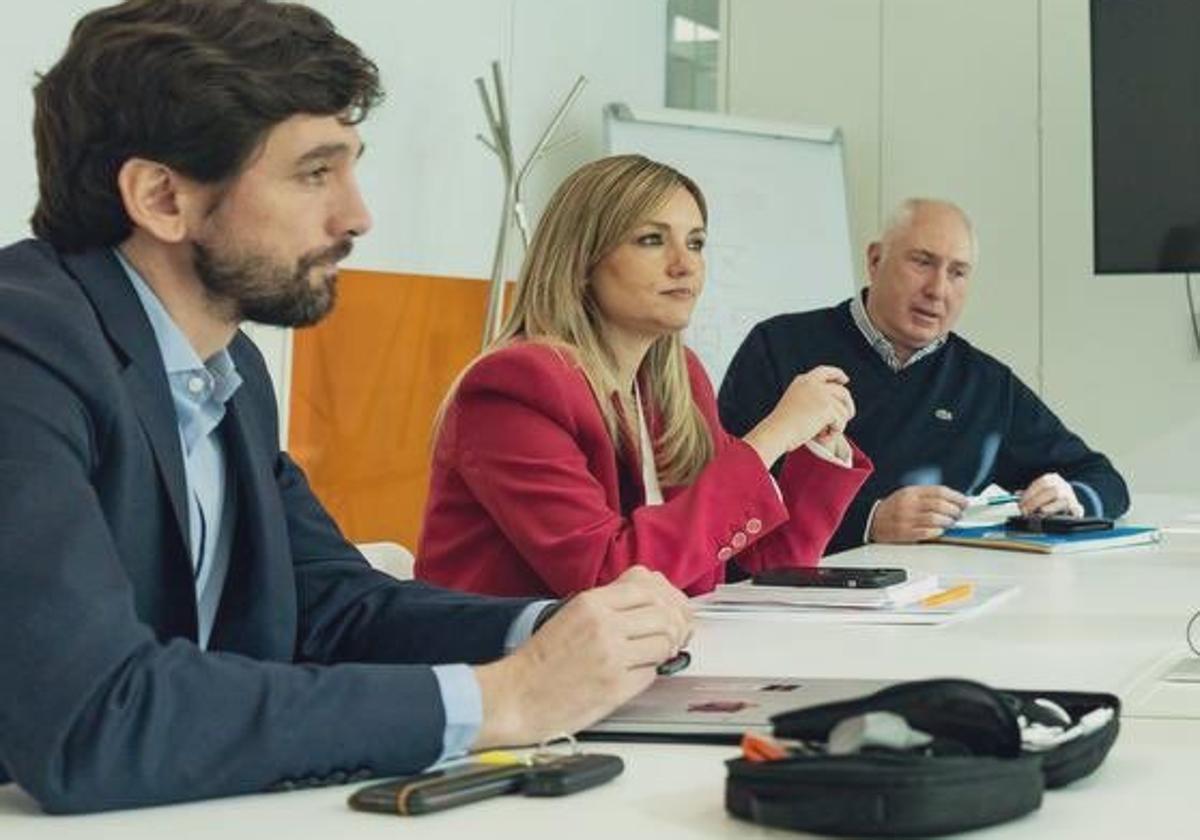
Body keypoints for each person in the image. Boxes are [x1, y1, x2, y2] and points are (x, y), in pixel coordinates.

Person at [0, 0, 692, 814]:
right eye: (314, 173)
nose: (357, 216)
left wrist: (553, 630)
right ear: (162, 197)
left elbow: (332, 607)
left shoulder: (227, 371)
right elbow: (94, 719)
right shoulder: (24, 351)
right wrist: (502, 701)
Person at [415, 155, 872, 598]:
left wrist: (819, 444)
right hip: (510, 666)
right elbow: (608, 577)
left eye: (695, 242)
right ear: (581, 260)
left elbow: (774, 561)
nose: (685, 264)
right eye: (652, 240)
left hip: (648, 659)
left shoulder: (677, 380)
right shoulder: (516, 386)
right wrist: (774, 435)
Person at [719, 198, 1129, 553]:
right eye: (922, 262)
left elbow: (1104, 479)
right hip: (796, 598)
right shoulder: (780, 346)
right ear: (875, 260)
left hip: (939, 603)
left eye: (958, 272)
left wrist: (1074, 498)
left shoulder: (985, 384)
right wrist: (871, 520)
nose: (938, 289)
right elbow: (727, 495)